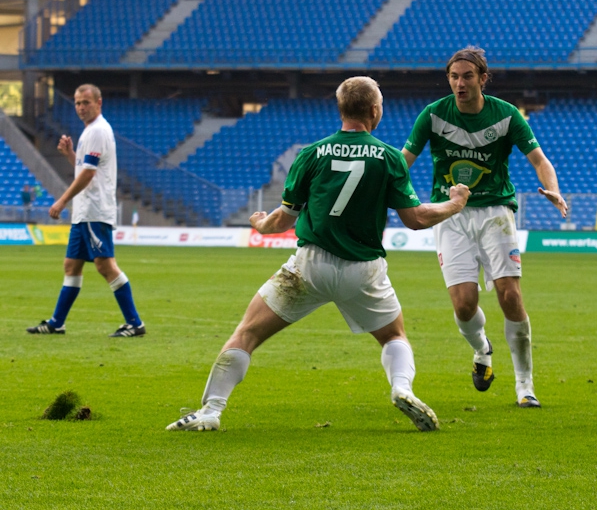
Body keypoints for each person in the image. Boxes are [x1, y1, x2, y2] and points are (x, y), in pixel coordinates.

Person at [166, 76, 470, 432]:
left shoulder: (311, 154)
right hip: (364, 270)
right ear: (374, 110)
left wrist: (262, 224)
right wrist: (454, 204)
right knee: (393, 336)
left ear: (341, 110)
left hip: (311, 265)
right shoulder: (389, 157)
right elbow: (416, 219)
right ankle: (401, 388)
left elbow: (283, 218)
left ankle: (211, 411)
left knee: (247, 333)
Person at [401, 46, 568, 409]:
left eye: (467, 77)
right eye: (453, 77)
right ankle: (482, 348)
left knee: (510, 294)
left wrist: (552, 188)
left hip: (496, 212)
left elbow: (539, 159)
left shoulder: (506, 115)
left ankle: (525, 385)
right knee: (464, 305)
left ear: (482, 78)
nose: (459, 84)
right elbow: (403, 162)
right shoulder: (432, 115)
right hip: (450, 214)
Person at [27, 84, 146, 338]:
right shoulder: (89, 132)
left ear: (98, 103)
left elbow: (89, 174)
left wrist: (61, 201)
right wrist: (71, 154)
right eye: (77, 103)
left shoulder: (98, 131)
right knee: (71, 265)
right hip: (84, 213)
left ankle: (135, 323)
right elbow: (87, 169)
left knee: (105, 266)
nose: (81, 107)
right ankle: (57, 322)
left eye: (86, 103)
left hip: (94, 210)